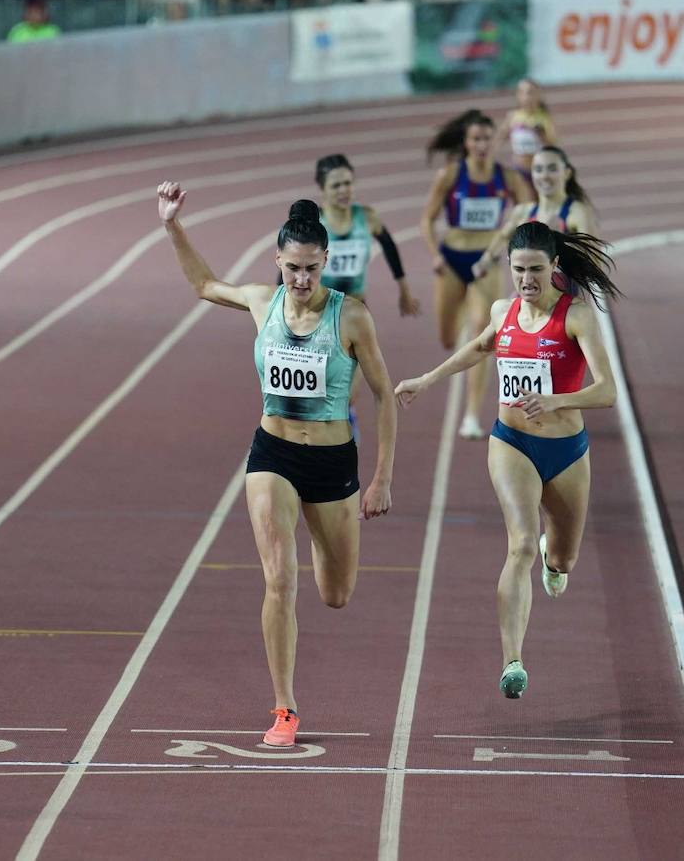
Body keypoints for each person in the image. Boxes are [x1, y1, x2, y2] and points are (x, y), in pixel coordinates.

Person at [158, 181, 396, 747]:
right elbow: (204, 284)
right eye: (293, 268)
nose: (303, 280)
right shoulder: (263, 302)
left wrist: (382, 477)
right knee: (278, 579)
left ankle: (317, 530)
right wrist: (172, 225)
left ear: (326, 263)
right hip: (274, 455)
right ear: (278, 262)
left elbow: (385, 395)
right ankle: (285, 708)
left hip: (333, 460)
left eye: (313, 269)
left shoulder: (352, 317)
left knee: (336, 594)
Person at [394, 220, 620, 698]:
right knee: (518, 543)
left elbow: (607, 392)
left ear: (554, 266)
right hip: (511, 443)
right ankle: (512, 660)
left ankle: (552, 560)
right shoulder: (503, 311)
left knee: (562, 559)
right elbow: (478, 348)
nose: (526, 280)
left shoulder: (576, 316)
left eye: (536, 270)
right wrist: (426, 379)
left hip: (565, 451)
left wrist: (557, 400)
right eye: (518, 270)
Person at [419, 109, 531, 439]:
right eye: (475, 139)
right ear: (466, 143)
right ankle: (458, 329)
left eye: (486, 138)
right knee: (447, 338)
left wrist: (515, 238)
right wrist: (435, 255)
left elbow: (528, 212)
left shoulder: (507, 178)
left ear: (494, 141)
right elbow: (426, 219)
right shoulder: (451, 175)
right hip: (453, 258)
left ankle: (471, 416)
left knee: (485, 335)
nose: (482, 145)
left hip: (488, 259)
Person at [315, 153, 419, 316]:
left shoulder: (368, 218)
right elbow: (289, 265)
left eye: (347, 183)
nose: (343, 190)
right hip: (318, 312)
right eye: (335, 186)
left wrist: (404, 290)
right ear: (322, 189)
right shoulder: (313, 223)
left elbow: (389, 247)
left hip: (356, 309)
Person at [475, 145, 596, 279]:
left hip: (562, 296)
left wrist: (559, 242)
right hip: (529, 290)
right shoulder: (523, 212)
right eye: (538, 169)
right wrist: (485, 261)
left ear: (567, 173)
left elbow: (594, 263)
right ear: (532, 174)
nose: (544, 176)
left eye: (552, 169)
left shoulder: (577, 212)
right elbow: (503, 236)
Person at [496, 78, 556, 189]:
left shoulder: (544, 117)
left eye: (530, 93)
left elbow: (553, 144)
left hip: (540, 171)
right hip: (520, 169)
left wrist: (540, 133)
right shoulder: (513, 116)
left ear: (538, 95)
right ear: (518, 96)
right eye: (522, 93)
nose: (527, 97)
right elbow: (499, 139)